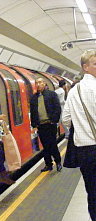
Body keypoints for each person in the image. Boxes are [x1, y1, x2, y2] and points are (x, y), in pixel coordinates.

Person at [62, 49, 96, 221]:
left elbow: (65, 119)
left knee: (92, 192)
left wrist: (82, 127)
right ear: (85, 67)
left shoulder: (74, 91)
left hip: (84, 151)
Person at [30, 77, 62, 172]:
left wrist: (54, 120)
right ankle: (48, 164)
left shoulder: (51, 95)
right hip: (41, 125)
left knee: (52, 144)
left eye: (40, 82)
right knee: (45, 146)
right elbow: (33, 112)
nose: (38, 84)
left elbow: (57, 108)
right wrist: (34, 124)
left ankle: (58, 162)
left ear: (44, 83)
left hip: (50, 124)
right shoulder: (34, 98)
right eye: (36, 83)